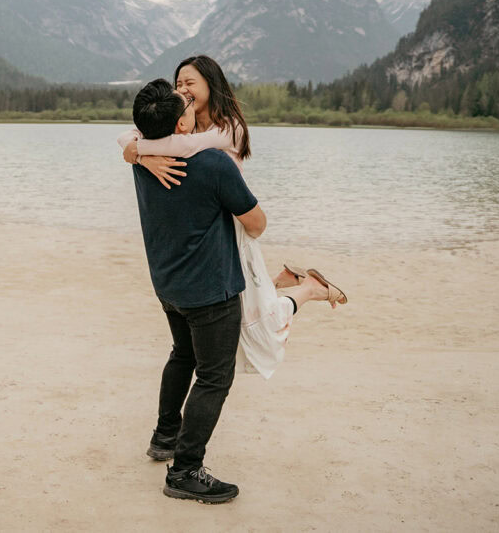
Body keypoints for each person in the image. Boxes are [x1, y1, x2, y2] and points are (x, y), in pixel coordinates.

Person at [129, 79, 344, 504]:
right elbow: (257, 223)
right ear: (182, 124)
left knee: (183, 355)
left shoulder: (142, 157)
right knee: (214, 376)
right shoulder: (212, 164)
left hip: (167, 284)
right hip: (209, 291)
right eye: (185, 105)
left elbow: (132, 143)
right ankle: (185, 470)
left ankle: (163, 439)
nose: (191, 104)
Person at [119, 56, 347, 379]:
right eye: (178, 84)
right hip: (212, 233)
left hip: (235, 228)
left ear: (211, 86)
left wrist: (139, 152)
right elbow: (129, 134)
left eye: (190, 84)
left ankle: (308, 287)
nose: (182, 90)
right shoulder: (183, 121)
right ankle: (280, 279)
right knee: (245, 313)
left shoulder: (229, 129)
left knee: (259, 325)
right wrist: (136, 150)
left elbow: (183, 147)